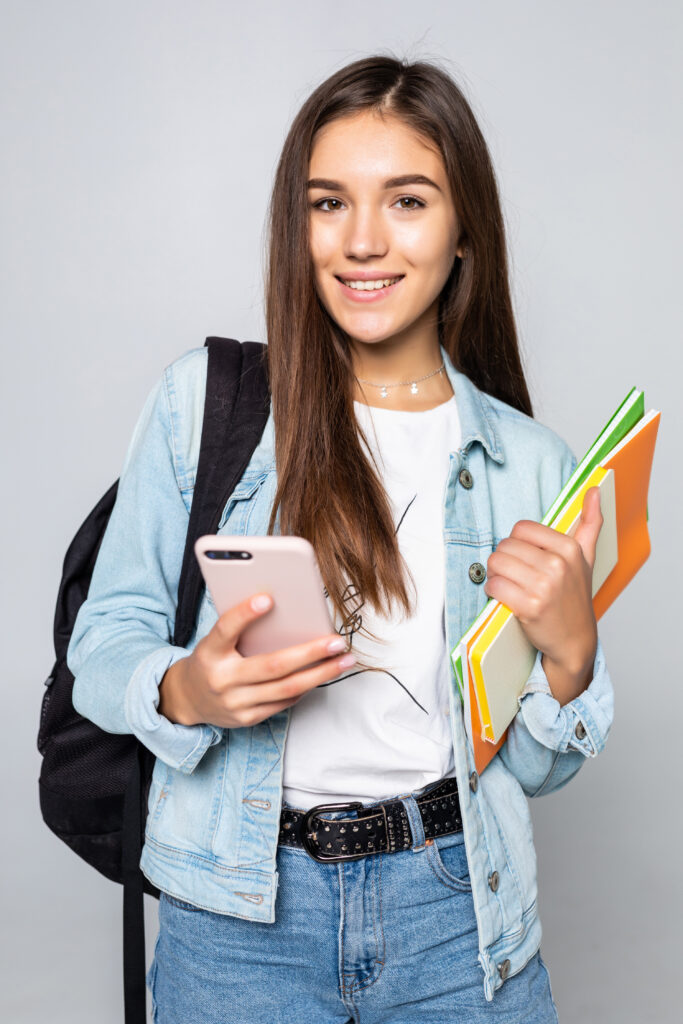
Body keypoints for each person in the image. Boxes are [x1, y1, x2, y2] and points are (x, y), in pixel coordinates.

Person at [67, 54, 614, 1023]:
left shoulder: (528, 459)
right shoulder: (208, 402)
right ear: (297, 226)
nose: (361, 241)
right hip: (236, 914)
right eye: (328, 204)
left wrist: (569, 659)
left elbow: (535, 767)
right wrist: (185, 688)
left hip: (456, 909)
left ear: (461, 233)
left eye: (405, 200)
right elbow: (102, 642)